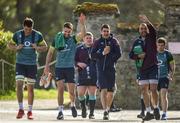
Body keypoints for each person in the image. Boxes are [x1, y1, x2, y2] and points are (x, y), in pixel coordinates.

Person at [44, 13, 86, 120]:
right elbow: (50, 53)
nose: (67, 33)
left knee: (72, 91)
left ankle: (72, 105)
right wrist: (46, 66)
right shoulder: (57, 39)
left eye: (69, 32)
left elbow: (83, 34)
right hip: (59, 67)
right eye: (65, 31)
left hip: (69, 68)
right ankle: (60, 111)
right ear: (63, 30)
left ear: (71, 31)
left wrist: (82, 23)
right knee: (60, 90)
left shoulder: (73, 39)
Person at [7, 17, 47, 120]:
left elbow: (45, 47)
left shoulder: (37, 35)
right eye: (26, 29)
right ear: (23, 27)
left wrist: (37, 48)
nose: (27, 31)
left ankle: (30, 111)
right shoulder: (17, 34)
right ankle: (21, 109)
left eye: (29, 29)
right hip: (20, 63)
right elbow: (9, 45)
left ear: (32, 27)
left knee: (30, 88)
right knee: (19, 84)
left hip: (32, 64)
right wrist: (16, 48)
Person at [129, 15, 160, 121]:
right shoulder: (136, 42)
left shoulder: (151, 37)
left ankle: (156, 108)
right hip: (142, 69)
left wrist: (147, 22)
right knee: (143, 90)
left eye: (144, 28)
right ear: (138, 30)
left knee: (153, 89)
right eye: (141, 28)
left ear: (147, 29)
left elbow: (154, 31)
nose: (143, 30)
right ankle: (148, 111)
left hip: (153, 66)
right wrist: (138, 56)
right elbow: (131, 55)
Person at [91, 24, 121, 120]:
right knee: (103, 90)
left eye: (107, 31)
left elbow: (118, 54)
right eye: (104, 31)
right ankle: (105, 111)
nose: (106, 33)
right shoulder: (97, 42)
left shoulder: (114, 41)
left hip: (111, 69)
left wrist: (110, 57)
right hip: (100, 69)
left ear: (109, 31)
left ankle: (108, 108)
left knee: (111, 92)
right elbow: (92, 55)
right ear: (101, 32)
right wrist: (102, 53)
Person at [75, 32, 97, 119]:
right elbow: (74, 60)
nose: (89, 39)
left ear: (92, 39)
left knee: (92, 93)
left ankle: (92, 113)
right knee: (80, 93)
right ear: (84, 39)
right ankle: (84, 108)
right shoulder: (79, 48)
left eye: (90, 38)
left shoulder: (95, 48)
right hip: (82, 74)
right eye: (87, 38)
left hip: (93, 73)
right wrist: (78, 63)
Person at [156, 37, 175, 120]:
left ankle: (164, 114)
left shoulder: (168, 54)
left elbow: (172, 66)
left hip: (164, 77)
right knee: (154, 96)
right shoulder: (153, 53)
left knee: (163, 94)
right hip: (154, 77)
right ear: (156, 45)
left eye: (162, 45)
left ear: (165, 45)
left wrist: (170, 75)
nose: (160, 47)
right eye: (159, 45)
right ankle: (156, 110)